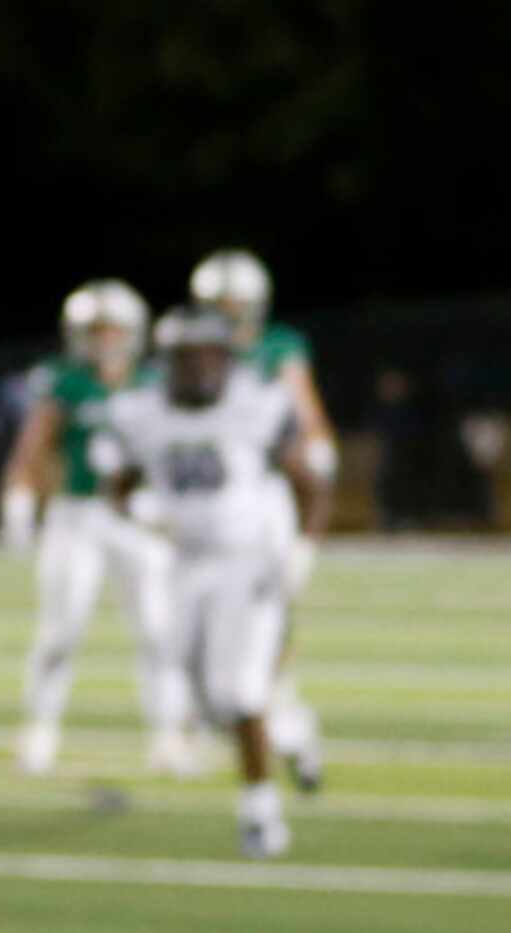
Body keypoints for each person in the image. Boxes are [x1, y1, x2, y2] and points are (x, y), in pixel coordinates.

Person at [90, 307, 327, 859]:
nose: (196, 367)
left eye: (207, 354)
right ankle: (292, 731)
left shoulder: (256, 404)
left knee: (238, 691)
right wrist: (144, 513)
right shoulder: (140, 412)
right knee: (202, 698)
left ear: (226, 358)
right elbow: (117, 485)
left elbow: (312, 485)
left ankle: (260, 814)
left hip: (247, 562)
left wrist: (302, 550)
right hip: (184, 564)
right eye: (183, 356)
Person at [0, 280, 186, 775]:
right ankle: (39, 730)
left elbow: (175, 449)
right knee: (61, 629)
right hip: (77, 515)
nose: (104, 339)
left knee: (159, 630)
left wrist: (169, 506)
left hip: (138, 520)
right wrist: (20, 496)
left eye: (112, 329)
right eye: (94, 330)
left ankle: (168, 734)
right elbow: (34, 446)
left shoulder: (156, 382)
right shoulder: (63, 379)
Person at [190, 249, 334, 790]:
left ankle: (287, 723)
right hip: (203, 506)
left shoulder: (277, 349)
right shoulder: (189, 352)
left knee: (262, 624)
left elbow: (306, 413)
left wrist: (317, 455)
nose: (228, 314)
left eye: (236, 303)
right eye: (218, 304)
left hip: (262, 499)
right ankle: (287, 729)